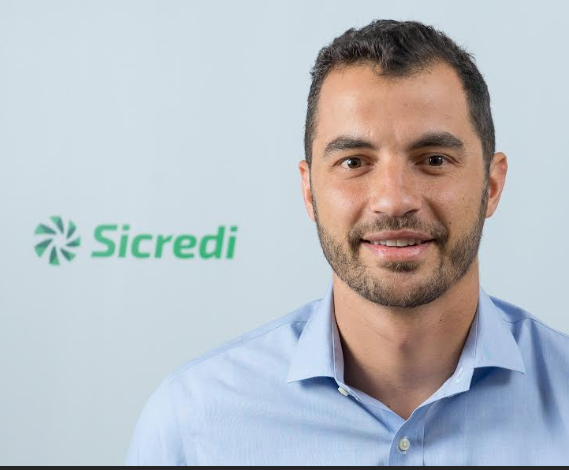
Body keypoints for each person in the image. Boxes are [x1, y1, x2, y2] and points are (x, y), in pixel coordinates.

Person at [126, 20, 569, 466]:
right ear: (309, 191)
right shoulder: (195, 420)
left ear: (492, 185)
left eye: (434, 160)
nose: (393, 200)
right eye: (354, 162)